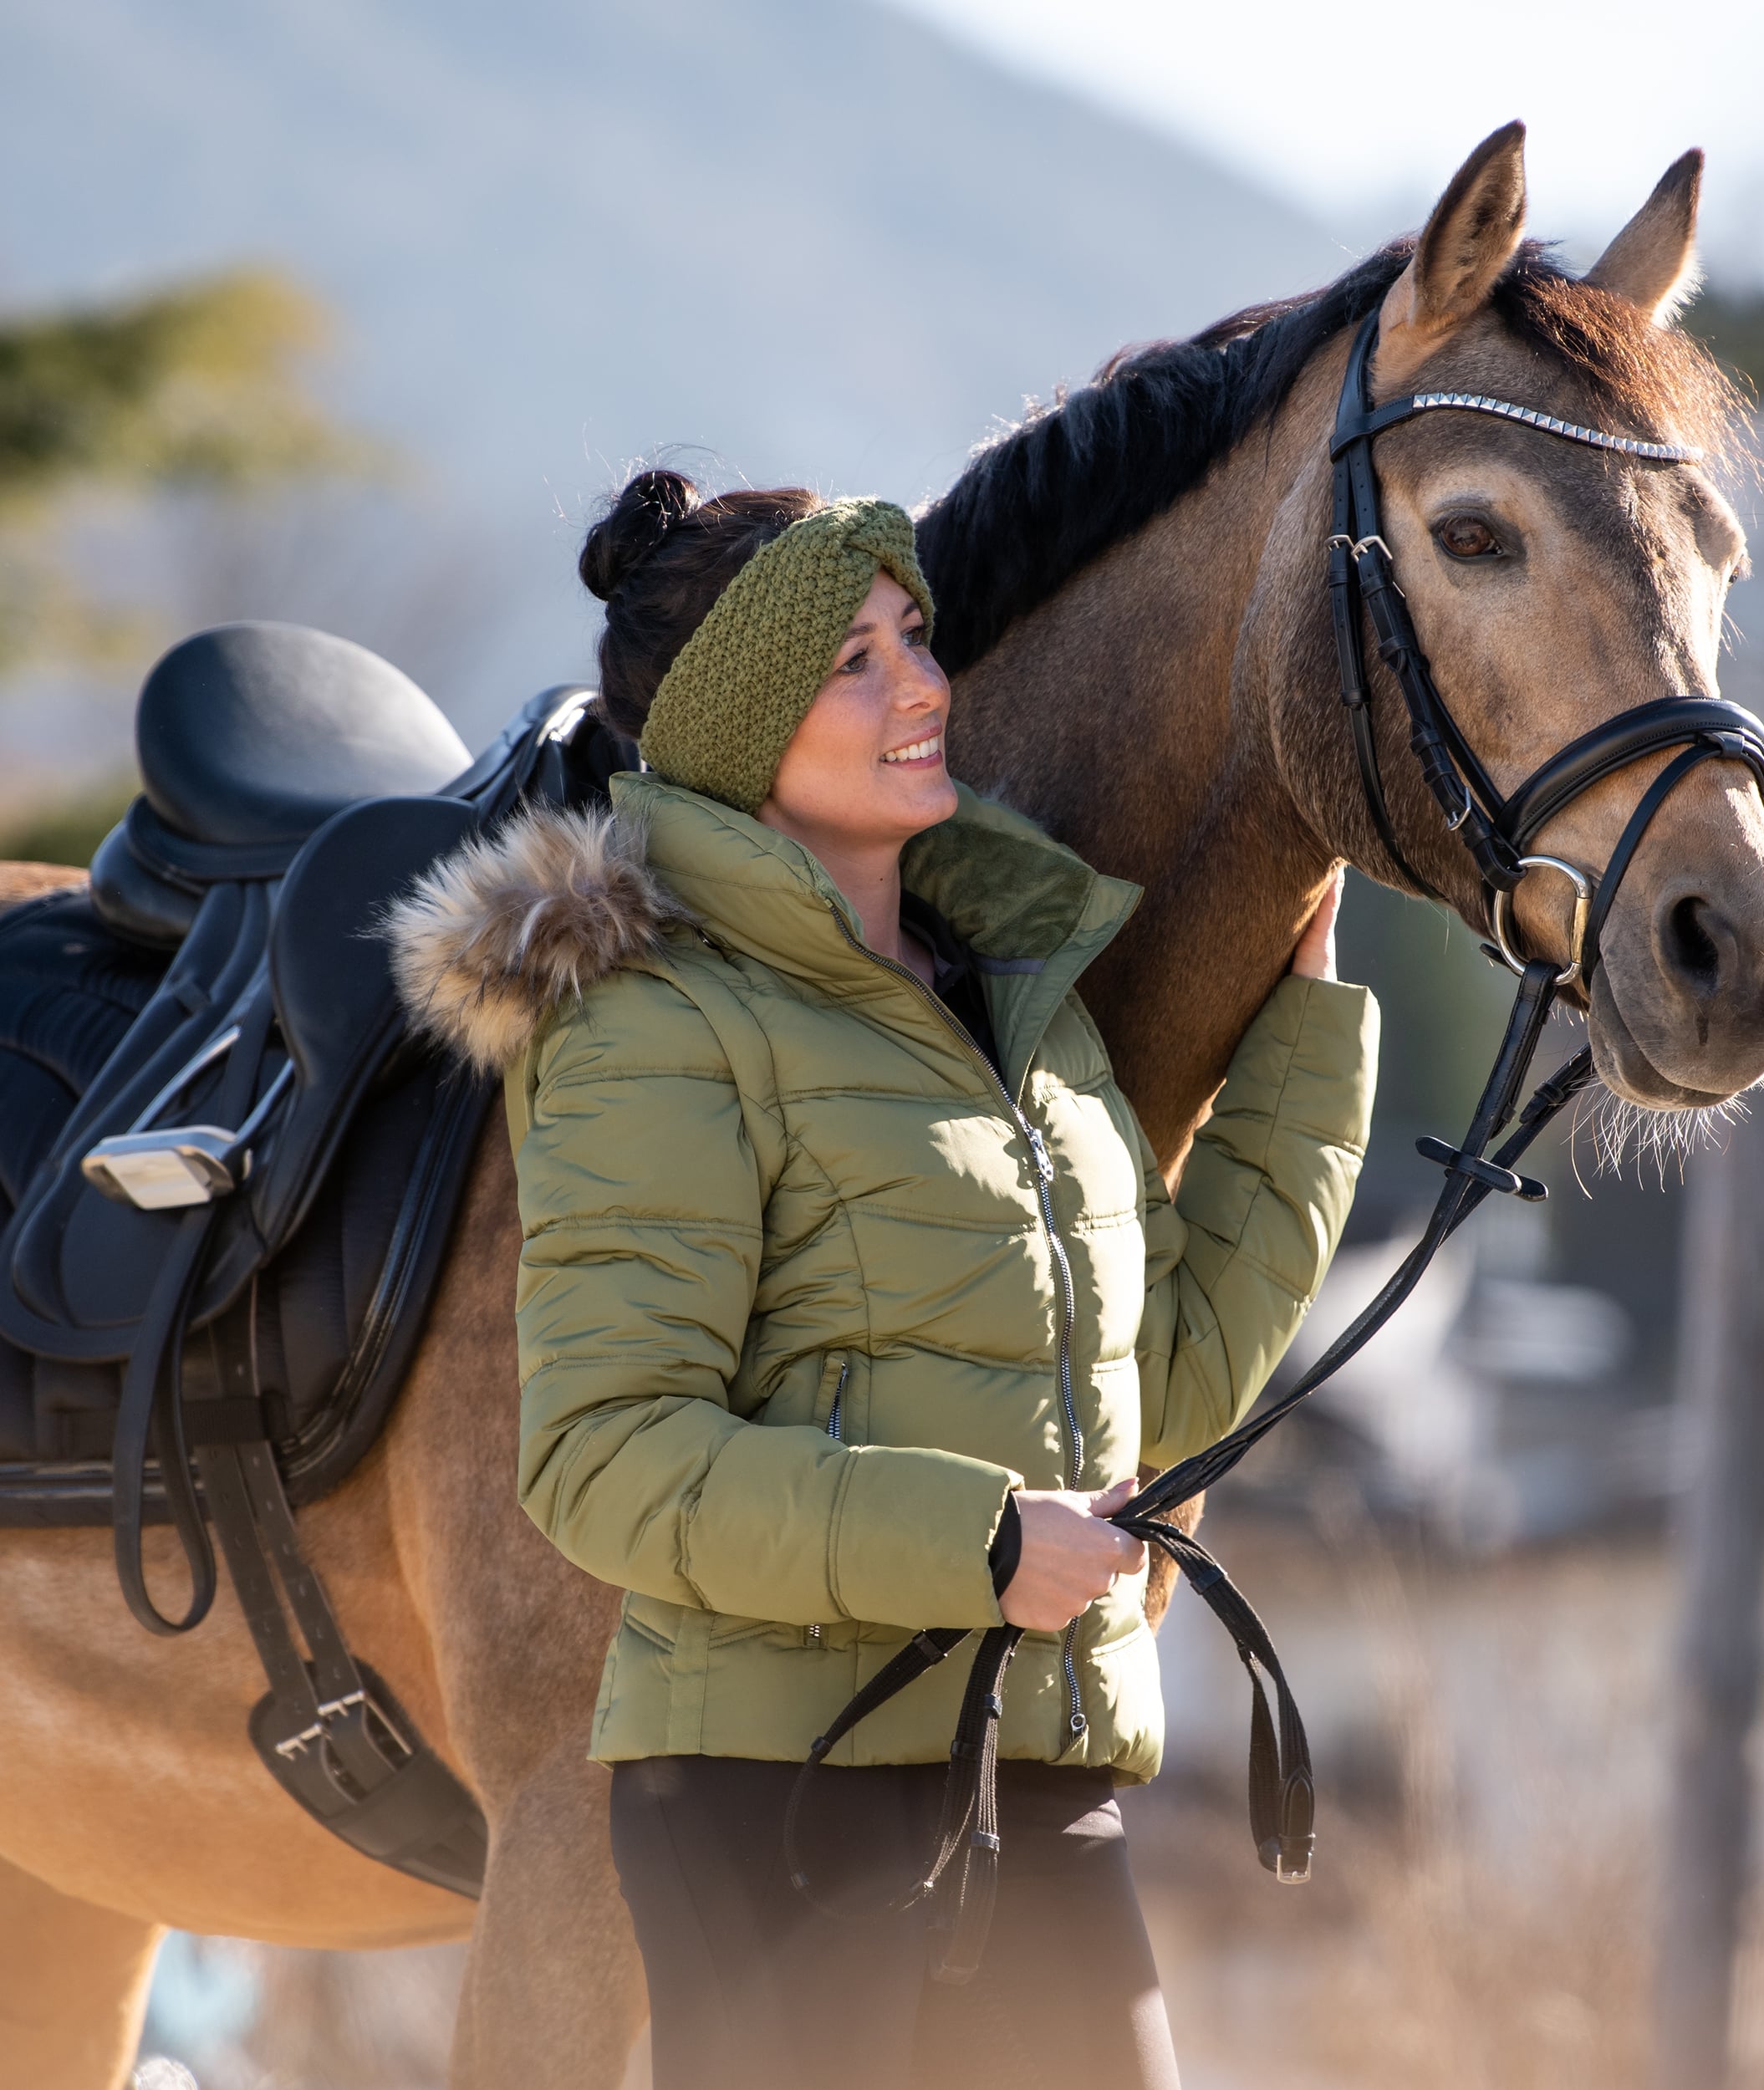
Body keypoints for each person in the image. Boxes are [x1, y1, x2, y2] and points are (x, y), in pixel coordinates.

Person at [390, 472, 1377, 2089]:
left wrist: (1307, 1054)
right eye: (856, 661)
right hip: (779, 1796)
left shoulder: (1018, 1005)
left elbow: (1170, 1391)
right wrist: (982, 1542)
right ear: (736, 723)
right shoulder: (654, 1026)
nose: (926, 685)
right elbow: (603, 1459)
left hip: (1043, 1770)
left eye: (915, 636)